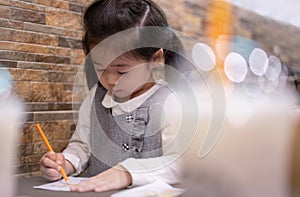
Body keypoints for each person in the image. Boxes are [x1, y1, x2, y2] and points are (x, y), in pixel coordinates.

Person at [40, 0, 188, 192]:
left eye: (122, 71)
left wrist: (127, 173)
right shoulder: (96, 97)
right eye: (100, 68)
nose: (110, 80)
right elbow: (83, 146)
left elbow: (181, 165)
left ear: (156, 59)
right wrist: (65, 163)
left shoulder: (171, 103)